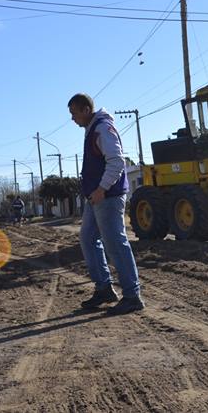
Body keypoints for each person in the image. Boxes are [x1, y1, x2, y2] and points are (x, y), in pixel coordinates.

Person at [68, 93, 144, 315]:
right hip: (96, 197)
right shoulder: (92, 129)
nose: (72, 119)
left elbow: (117, 161)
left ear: (85, 110)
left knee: (115, 244)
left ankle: (132, 295)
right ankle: (104, 289)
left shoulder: (102, 128)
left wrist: (102, 188)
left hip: (107, 196)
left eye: (74, 113)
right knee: (88, 239)